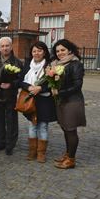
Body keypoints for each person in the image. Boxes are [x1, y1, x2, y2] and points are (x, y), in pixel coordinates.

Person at [51, 39, 86, 169]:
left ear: (69, 50)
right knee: (65, 128)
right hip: (61, 101)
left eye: (63, 50)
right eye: (57, 51)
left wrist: (60, 93)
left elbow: (77, 85)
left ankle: (71, 159)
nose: (60, 53)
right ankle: (67, 154)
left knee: (71, 130)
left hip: (72, 101)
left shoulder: (75, 64)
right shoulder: (56, 64)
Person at [20, 41, 57, 163]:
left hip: (45, 100)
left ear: (44, 52)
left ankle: (41, 153)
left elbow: (53, 83)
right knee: (32, 126)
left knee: (43, 127)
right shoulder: (27, 64)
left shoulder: (49, 65)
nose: (37, 53)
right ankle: (32, 151)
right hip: (31, 100)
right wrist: (29, 87)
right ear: (31, 53)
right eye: (34, 51)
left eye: (39, 50)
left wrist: (41, 88)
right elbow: (20, 80)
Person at [0, 37, 23, 156]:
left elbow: (21, 80)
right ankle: (0, 142)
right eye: (2, 46)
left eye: (7, 46)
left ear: (11, 47)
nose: (5, 48)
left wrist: (11, 84)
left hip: (10, 95)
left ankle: (10, 145)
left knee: (11, 120)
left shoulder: (17, 62)